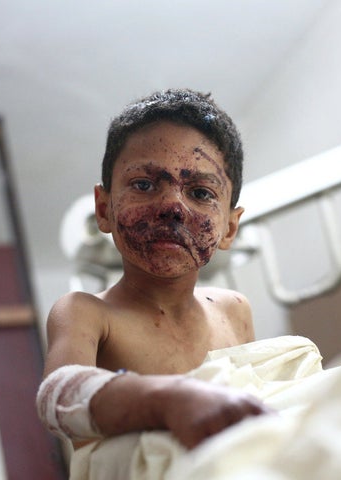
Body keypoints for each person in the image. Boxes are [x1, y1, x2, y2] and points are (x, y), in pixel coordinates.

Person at [37, 88, 270, 452]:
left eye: (201, 193)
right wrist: (168, 400)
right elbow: (58, 397)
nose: (172, 206)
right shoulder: (86, 313)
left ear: (229, 228)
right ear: (103, 209)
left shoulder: (234, 310)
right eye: (144, 184)